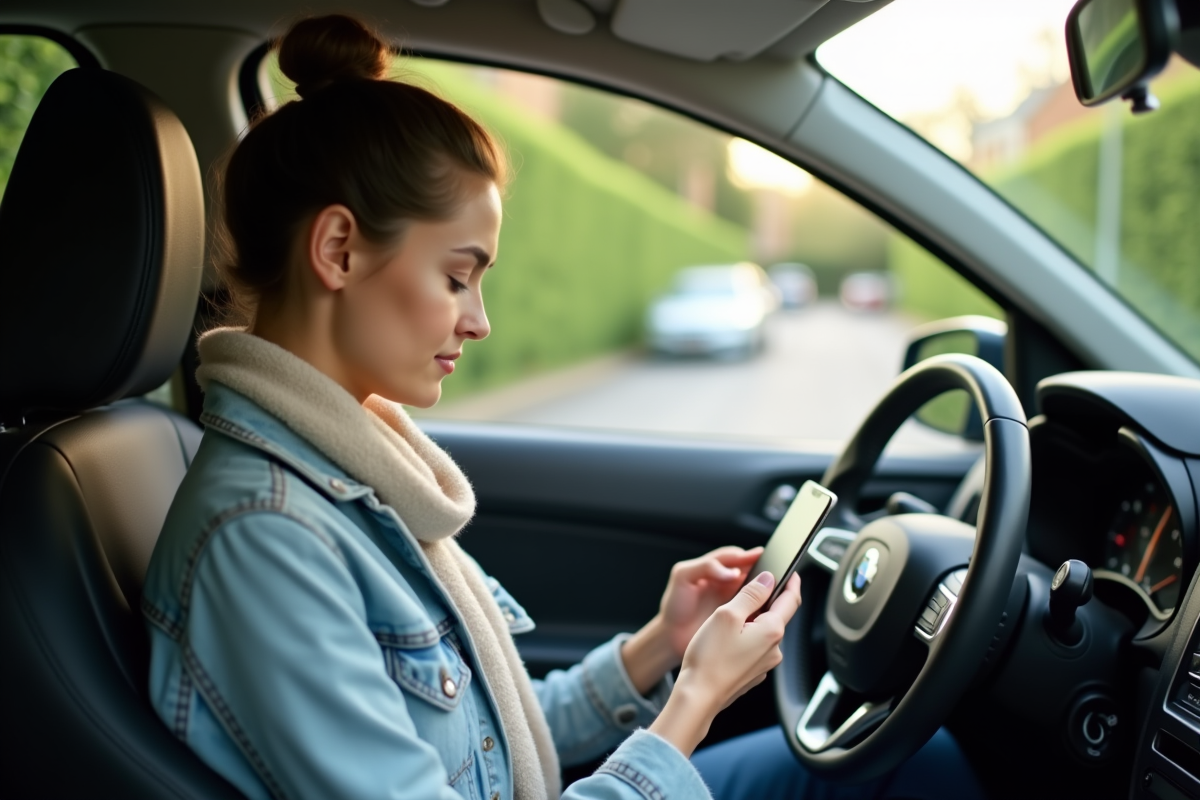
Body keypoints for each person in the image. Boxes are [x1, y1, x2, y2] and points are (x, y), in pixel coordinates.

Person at [143, 14, 984, 800]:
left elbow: (492, 747)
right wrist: (695, 699)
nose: (479, 321)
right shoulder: (265, 535)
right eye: (456, 276)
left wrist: (661, 646)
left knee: (921, 758)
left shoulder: (353, 477)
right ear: (338, 249)